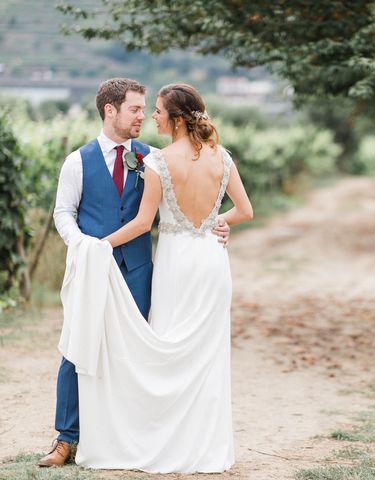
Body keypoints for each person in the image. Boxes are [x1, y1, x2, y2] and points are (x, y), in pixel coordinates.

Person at [52, 83, 252, 473]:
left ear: (174, 117)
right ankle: (67, 436)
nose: (146, 117)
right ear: (110, 111)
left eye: (152, 110)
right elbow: (64, 212)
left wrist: (101, 245)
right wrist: (214, 224)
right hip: (201, 262)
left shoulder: (156, 158)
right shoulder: (78, 161)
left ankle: (146, 438)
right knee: (83, 345)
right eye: (137, 110)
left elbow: (144, 222)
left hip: (156, 268)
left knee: (154, 357)